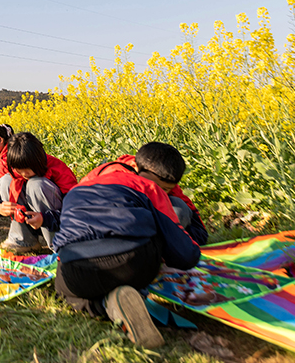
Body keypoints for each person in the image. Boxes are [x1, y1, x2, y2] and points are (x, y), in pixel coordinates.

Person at [52, 142, 201, 348]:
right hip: (134, 263)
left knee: (64, 290)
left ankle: (106, 304)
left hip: (76, 269)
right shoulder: (149, 187)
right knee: (157, 231)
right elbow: (185, 254)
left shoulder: (79, 188)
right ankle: (126, 296)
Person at [0, 132, 77, 253]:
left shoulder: (59, 170)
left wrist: (45, 219)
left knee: (36, 184)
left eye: (26, 172)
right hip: (32, 220)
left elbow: (75, 211)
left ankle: (60, 244)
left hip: (56, 222)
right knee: (6, 180)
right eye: (19, 171)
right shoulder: (16, 167)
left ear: (37, 163)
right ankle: (24, 240)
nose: (23, 175)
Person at [90, 153, 208, 245]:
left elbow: (190, 211)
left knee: (178, 207)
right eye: (151, 185)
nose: (156, 191)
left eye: (165, 189)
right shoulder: (115, 178)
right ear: (136, 168)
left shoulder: (161, 175)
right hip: (101, 233)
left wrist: (194, 241)